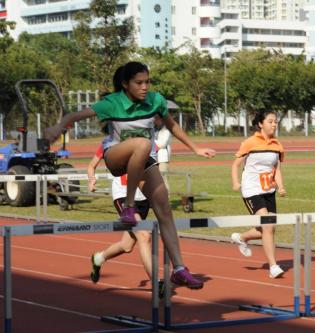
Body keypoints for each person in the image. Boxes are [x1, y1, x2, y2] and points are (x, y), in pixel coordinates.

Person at [45, 61, 216, 289]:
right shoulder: (112, 103)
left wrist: (195, 148)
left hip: (142, 160)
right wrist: (58, 128)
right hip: (116, 157)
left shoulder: (155, 100)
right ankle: (128, 205)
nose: (145, 87)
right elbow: (74, 117)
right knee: (143, 143)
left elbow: (172, 125)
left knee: (164, 209)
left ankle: (179, 269)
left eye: (147, 81)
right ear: (126, 84)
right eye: (139, 83)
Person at [87, 143, 156, 287]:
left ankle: (99, 259)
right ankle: (156, 282)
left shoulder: (146, 138)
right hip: (123, 196)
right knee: (144, 236)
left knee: (127, 245)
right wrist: (91, 179)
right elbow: (91, 165)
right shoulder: (110, 142)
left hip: (142, 197)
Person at [231, 110, 286, 279]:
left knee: (270, 228)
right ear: (261, 124)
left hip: (269, 190)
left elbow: (276, 169)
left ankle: (241, 237)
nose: (274, 124)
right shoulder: (250, 143)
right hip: (251, 190)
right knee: (268, 226)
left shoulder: (277, 145)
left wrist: (281, 187)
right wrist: (235, 182)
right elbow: (236, 164)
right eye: (270, 121)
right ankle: (273, 266)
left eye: (275, 122)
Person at [154, 116, 173, 190]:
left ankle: (166, 199)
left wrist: (151, 142)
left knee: (163, 179)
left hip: (162, 159)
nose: (155, 120)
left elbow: (162, 144)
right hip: (153, 158)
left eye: (157, 119)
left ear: (162, 119)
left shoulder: (166, 130)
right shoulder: (153, 129)